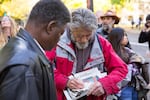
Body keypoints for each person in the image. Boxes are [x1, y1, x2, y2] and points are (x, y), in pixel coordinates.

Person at [46, 8, 127, 100]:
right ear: (70, 29)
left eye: (88, 35)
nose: (84, 40)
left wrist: (104, 84)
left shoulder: (102, 44)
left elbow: (121, 69)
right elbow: (44, 69)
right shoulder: (56, 42)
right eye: (79, 36)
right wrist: (65, 82)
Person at [0, 1, 70, 100]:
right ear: (51, 27)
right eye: (60, 33)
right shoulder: (24, 64)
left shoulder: (18, 48)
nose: (59, 40)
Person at [108, 27, 147, 100]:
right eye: (124, 35)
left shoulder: (129, 51)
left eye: (126, 35)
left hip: (134, 85)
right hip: (122, 87)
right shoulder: (112, 54)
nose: (126, 37)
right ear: (117, 37)